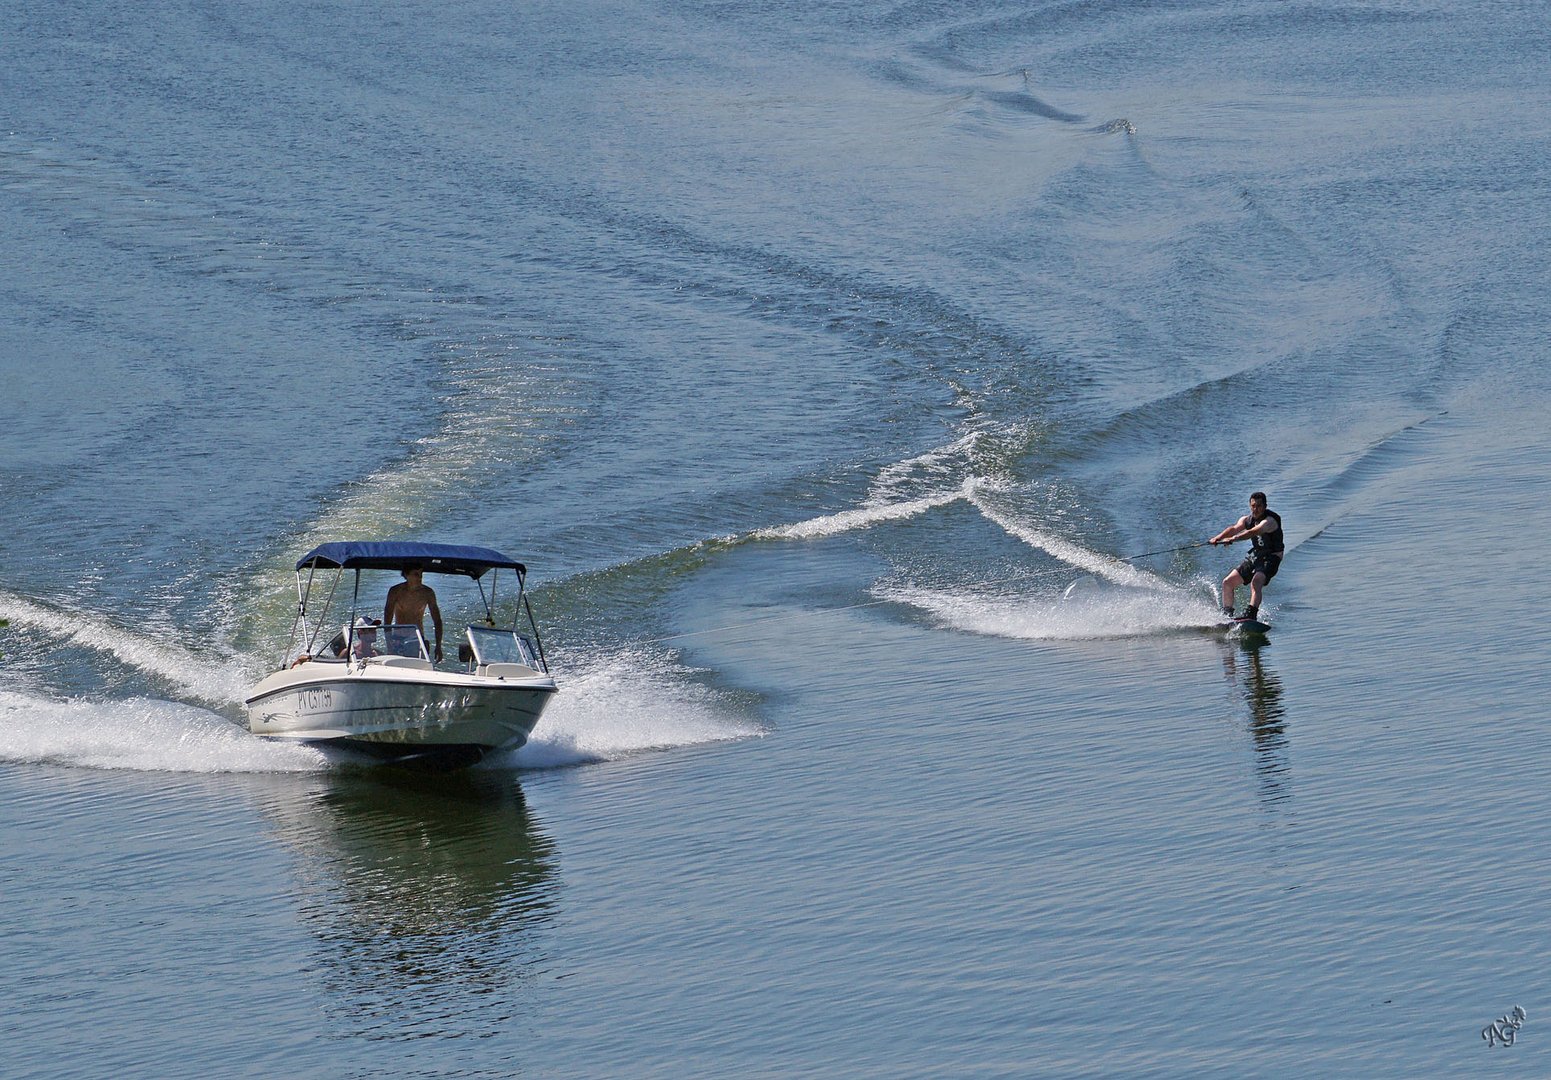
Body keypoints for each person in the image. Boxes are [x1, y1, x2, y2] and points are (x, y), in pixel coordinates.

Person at [1209, 491, 1283, 620]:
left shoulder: (1269, 521)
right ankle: (1227, 616)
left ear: (1265, 506)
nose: (1256, 509)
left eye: (1259, 506)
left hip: (1272, 557)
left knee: (1256, 581)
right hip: (1256, 555)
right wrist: (1218, 538)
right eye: (1253, 506)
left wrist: (1233, 539)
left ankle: (1251, 615)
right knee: (1227, 582)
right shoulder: (1246, 520)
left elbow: (1253, 532)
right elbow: (1234, 528)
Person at [384, 564, 444, 662]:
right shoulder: (395, 591)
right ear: (406, 575)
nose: (420, 577)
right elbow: (387, 619)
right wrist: (389, 644)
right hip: (398, 637)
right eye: (416, 574)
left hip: (417, 638)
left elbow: (437, 620)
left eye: (421, 574)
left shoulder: (428, 593)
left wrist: (438, 646)